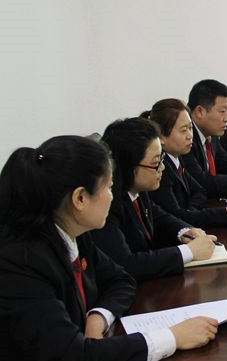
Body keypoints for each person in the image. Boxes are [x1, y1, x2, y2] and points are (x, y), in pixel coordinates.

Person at [0, 136, 218, 361]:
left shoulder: (68, 231)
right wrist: (171, 337)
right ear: (80, 198)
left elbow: (120, 279)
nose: (113, 196)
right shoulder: (16, 262)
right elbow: (69, 359)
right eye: (108, 187)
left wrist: (98, 317)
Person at [91, 118, 217, 282]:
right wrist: (189, 251)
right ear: (129, 167)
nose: (162, 167)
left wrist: (184, 231)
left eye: (161, 159)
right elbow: (126, 264)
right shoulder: (106, 206)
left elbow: (159, 217)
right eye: (156, 163)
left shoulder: (138, 191)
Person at [143, 99, 227, 228]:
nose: (190, 136)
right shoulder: (161, 168)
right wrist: (223, 215)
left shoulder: (178, 159)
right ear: (161, 137)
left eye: (190, 128)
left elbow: (200, 191)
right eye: (183, 130)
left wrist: (190, 211)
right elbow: (176, 216)